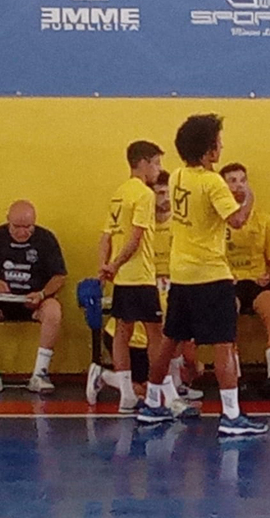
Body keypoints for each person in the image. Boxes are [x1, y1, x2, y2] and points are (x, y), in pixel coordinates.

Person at [154, 114, 266, 434]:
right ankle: (231, 415)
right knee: (223, 343)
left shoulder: (177, 176)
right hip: (210, 274)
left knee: (169, 340)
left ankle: (152, 403)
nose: (221, 146)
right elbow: (237, 221)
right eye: (218, 141)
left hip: (181, 273)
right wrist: (248, 199)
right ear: (207, 149)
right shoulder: (212, 182)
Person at [87, 170, 203, 406]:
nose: (165, 198)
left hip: (152, 298)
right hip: (137, 290)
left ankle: (162, 389)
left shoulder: (180, 227)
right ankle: (163, 395)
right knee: (142, 339)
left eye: (168, 193)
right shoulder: (136, 219)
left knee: (171, 339)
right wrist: (107, 267)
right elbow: (108, 238)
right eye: (159, 193)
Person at [0, 200, 67, 395]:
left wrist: (42, 294)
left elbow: (60, 276)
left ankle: (40, 373)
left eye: (28, 227)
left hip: (35, 303)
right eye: (17, 227)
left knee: (53, 310)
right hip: (1, 303)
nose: (23, 232)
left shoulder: (46, 239)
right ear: (8, 221)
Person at [219, 163, 270, 398]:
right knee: (227, 318)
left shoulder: (264, 220)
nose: (238, 186)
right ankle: (236, 378)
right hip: (230, 282)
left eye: (242, 180)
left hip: (258, 282)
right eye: (232, 181)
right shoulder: (218, 221)